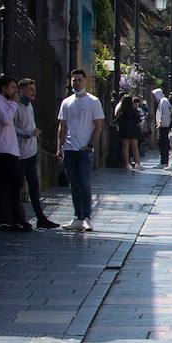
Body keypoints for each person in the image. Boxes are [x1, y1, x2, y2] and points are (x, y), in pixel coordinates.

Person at [56, 69, 104, 232]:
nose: (76, 82)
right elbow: (62, 126)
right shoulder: (66, 102)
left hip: (84, 150)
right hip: (69, 149)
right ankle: (78, 216)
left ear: (85, 82)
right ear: (70, 82)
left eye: (79, 80)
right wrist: (60, 147)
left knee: (84, 183)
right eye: (74, 80)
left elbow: (98, 125)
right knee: (74, 184)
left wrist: (90, 145)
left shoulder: (93, 101)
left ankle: (87, 217)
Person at [0, 74, 27, 231]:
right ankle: (2, 219)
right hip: (1, 149)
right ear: (4, 88)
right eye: (12, 88)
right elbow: (5, 120)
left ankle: (10, 218)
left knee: (14, 184)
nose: (15, 91)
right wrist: (14, 104)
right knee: (5, 185)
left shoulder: (7, 102)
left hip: (10, 149)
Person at [14, 79, 58, 229]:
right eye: (30, 89)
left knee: (34, 186)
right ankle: (18, 218)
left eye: (34, 89)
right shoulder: (15, 107)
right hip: (20, 153)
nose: (34, 92)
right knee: (18, 186)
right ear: (21, 90)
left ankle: (40, 217)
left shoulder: (29, 105)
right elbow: (13, 130)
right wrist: (28, 134)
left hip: (32, 151)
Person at [114, 94, 142, 172]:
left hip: (123, 130)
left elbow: (116, 120)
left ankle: (127, 164)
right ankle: (137, 163)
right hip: (133, 130)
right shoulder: (133, 110)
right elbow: (138, 121)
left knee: (125, 147)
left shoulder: (121, 110)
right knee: (134, 147)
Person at [153, 87, 172, 168]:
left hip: (163, 126)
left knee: (162, 143)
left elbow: (165, 114)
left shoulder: (163, 101)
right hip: (163, 125)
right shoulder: (163, 101)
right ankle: (164, 161)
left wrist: (160, 124)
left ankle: (163, 162)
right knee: (162, 144)